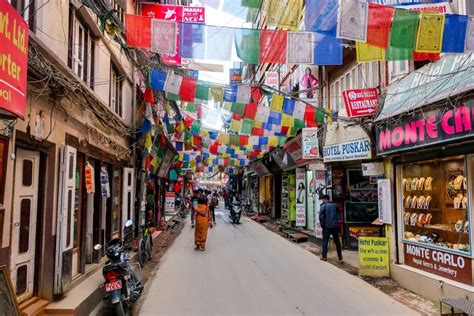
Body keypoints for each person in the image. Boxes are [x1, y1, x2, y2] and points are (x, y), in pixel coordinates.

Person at [319, 195, 343, 262]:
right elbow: (338, 214)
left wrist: (322, 225)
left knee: (325, 241)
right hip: (335, 226)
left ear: (325, 199)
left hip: (327, 227)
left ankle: (324, 257)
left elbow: (321, 217)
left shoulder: (323, 206)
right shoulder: (335, 205)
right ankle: (340, 256)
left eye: (323, 199)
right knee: (337, 242)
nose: (322, 201)